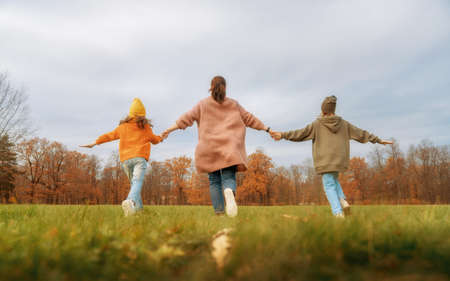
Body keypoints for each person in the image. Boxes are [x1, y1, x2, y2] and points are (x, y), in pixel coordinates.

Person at [162, 76, 272, 217]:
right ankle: (229, 191)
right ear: (225, 87)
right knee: (228, 178)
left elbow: (186, 118)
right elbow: (249, 119)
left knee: (214, 181)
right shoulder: (234, 104)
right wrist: (267, 129)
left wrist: (168, 130)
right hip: (229, 149)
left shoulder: (202, 104)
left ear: (211, 87)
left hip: (208, 149)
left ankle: (219, 213)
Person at [270, 95, 393, 218]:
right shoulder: (344, 124)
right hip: (339, 159)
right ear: (333, 110)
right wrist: (378, 140)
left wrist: (282, 135)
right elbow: (361, 133)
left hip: (325, 160)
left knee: (328, 185)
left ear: (323, 110)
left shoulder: (317, 124)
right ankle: (343, 201)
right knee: (333, 180)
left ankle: (338, 213)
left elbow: (299, 134)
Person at [80, 98, 163, 216]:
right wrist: (161, 137)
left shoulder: (123, 127)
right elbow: (155, 140)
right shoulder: (146, 128)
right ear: (143, 115)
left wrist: (95, 143)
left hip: (126, 161)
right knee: (137, 182)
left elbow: (109, 136)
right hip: (139, 158)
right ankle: (130, 201)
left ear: (130, 114)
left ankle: (139, 211)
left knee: (135, 185)